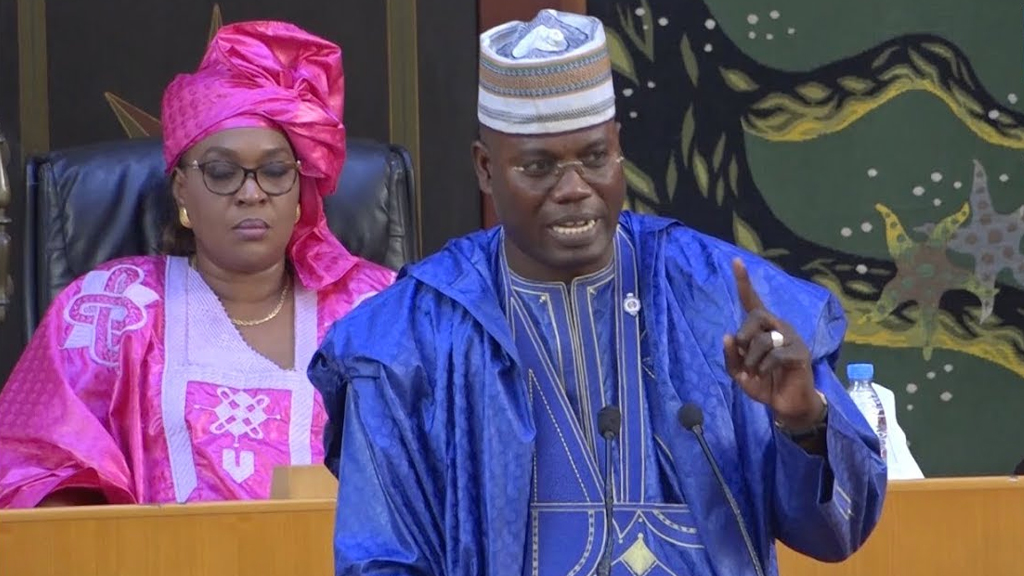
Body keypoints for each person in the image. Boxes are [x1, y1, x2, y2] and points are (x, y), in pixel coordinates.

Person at [309, 9, 886, 576]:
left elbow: (840, 533)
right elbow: (379, 559)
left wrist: (804, 421)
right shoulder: (413, 337)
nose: (574, 189)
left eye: (593, 158)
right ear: (485, 169)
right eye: (539, 167)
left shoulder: (716, 295)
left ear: (618, 149)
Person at [0, 21, 394, 508]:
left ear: (300, 191)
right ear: (182, 190)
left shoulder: (376, 310)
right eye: (223, 172)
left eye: (274, 171)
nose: (251, 193)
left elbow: (438, 468)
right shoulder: (113, 308)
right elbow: (35, 474)